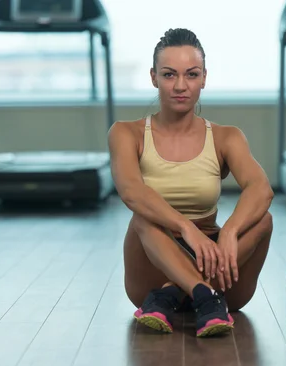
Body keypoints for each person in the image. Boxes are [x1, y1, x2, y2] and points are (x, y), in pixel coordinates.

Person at [107, 28, 274, 337]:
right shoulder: (126, 133)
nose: (180, 86)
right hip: (151, 270)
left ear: (204, 78)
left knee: (263, 221)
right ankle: (202, 294)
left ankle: (176, 295)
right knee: (143, 217)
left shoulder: (227, 136)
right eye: (169, 75)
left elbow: (261, 188)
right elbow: (131, 191)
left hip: (220, 266)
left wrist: (230, 232)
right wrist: (186, 228)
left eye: (191, 74)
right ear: (154, 77)